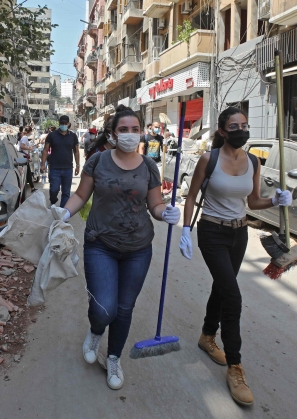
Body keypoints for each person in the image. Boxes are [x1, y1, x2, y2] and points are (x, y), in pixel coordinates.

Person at [54, 105, 181, 390]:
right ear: (112, 134)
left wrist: (165, 214)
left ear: (142, 133)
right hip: (101, 243)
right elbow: (80, 195)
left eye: (135, 130)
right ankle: (96, 330)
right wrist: (63, 213)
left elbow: (155, 204)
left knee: (124, 308)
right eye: (123, 130)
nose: (130, 135)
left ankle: (113, 358)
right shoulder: (98, 162)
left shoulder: (149, 166)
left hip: (138, 248)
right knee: (104, 309)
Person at [180, 107, 292, 407]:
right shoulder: (209, 159)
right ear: (222, 131)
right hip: (212, 233)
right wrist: (185, 229)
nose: (240, 130)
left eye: (244, 125)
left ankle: (206, 335)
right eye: (234, 126)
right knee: (233, 296)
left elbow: (253, 201)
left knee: (222, 286)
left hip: (239, 234)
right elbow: (191, 196)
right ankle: (235, 365)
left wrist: (276, 200)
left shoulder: (253, 161)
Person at [41, 115, 80, 207]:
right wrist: (43, 164)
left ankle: (62, 213)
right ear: (59, 123)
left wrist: (78, 165)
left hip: (68, 168)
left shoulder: (73, 136)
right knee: (54, 189)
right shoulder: (52, 135)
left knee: (66, 192)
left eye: (65, 123)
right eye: (61, 123)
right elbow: (45, 150)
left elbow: (76, 151)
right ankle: (53, 200)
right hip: (54, 168)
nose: (63, 125)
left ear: (68, 124)